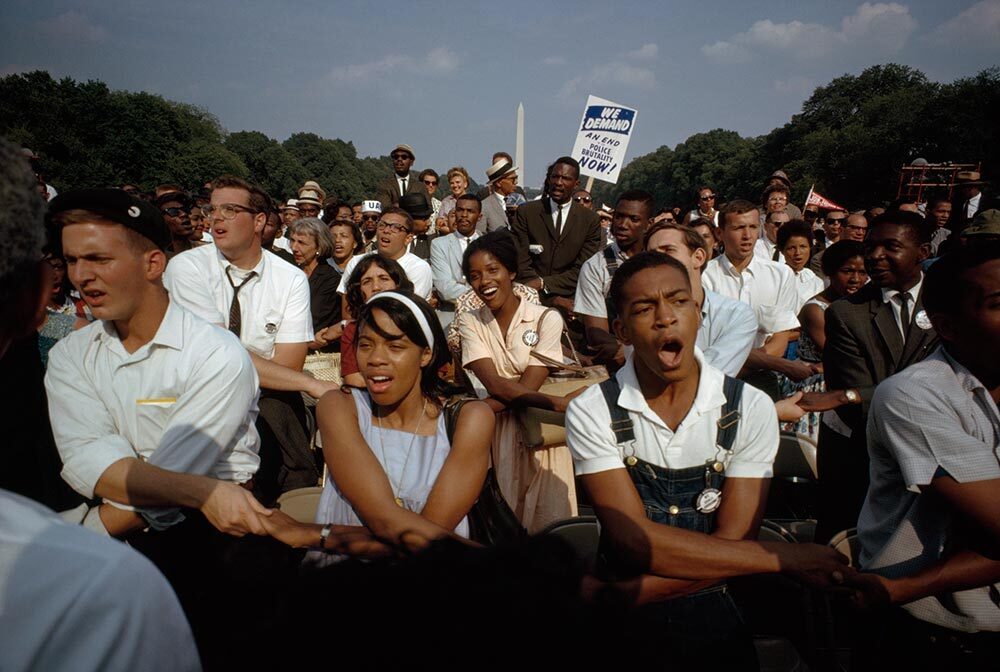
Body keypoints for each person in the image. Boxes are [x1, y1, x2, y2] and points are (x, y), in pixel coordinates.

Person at [565, 251, 849, 668]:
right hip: (623, 629)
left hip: (712, 611)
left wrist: (633, 592)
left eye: (679, 301)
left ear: (699, 313)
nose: (665, 317)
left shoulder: (748, 406)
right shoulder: (593, 409)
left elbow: (735, 543)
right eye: (645, 308)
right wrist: (781, 558)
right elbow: (631, 542)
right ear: (622, 330)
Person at [42, 187, 279, 665]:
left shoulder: (216, 354)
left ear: (153, 264)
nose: (81, 277)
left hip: (209, 548)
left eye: (99, 259)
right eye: (71, 261)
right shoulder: (70, 354)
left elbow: (168, 477)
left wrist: (77, 538)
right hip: (115, 540)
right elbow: (90, 458)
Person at [846, 242, 1000, 670]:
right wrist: (905, 589)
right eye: (998, 304)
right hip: (941, 637)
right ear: (948, 327)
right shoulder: (914, 396)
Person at [263, 292, 495, 561]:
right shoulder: (340, 407)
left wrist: (313, 534)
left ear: (426, 355)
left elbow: (422, 545)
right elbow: (405, 530)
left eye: (395, 347)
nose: (375, 359)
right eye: (365, 345)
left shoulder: (469, 419)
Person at [163, 175, 332, 502]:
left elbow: (290, 364)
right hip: (198, 393)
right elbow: (214, 357)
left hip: (266, 396)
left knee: (277, 419)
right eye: (212, 209)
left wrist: (281, 376)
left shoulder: (290, 278)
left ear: (259, 221)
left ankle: (284, 508)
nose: (217, 218)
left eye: (230, 210)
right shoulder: (186, 269)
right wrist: (310, 384)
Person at [810, 211, 940, 542]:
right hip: (863, 459)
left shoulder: (946, 302)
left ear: (922, 252)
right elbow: (859, 401)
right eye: (870, 247)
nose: (875, 256)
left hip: (938, 459)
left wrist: (858, 393)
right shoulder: (846, 313)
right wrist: (851, 396)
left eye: (890, 246)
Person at [458, 231, 585, 533]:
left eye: (492, 270)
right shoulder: (470, 320)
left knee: (552, 527)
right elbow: (496, 385)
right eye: (474, 276)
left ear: (511, 271)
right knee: (506, 526)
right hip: (500, 434)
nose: (484, 282)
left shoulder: (546, 318)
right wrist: (559, 403)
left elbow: (526, 387)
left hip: (543, 434)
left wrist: (473, 411)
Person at [702, 200, 814, 399]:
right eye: (738, 228)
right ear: (720, 234)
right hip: (712, 382)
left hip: (760, 381)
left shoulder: (780, 275)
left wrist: (739, 364)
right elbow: (709, 344)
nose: (747, 236)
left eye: (753, 227)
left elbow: (779, 341)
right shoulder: (703, 277)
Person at [644, 221, 757, 377]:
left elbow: (709, 378)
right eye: (652, 254)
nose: (658, 260)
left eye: (668, 250)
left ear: (698, 257)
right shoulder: (642, 315)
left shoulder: (737, 316)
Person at [512, 156, 601, 346]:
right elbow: (520, 262)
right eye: (555, 177)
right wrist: (551, 298)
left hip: (570, 310)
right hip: (529, 305)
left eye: (565, 179)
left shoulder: (590, 221)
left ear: (576, 183)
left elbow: (582, 270)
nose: (558, 183)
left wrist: (544, 284)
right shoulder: (526, 213)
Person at [575, 190, 654, 370]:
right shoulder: (595, 266)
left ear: (648, 224)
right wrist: (629, 353)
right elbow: (597, 334)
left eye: (633, 219)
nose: (623, 224)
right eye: (619, 217)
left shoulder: (662, 260)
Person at [339, 255, 413, 388]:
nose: (376, 287)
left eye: (384, 279)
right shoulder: (352, 330)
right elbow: (353, 378)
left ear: (397, 284)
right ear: (359, 290)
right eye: (367, 281)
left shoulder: (417, 323)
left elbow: (437, 371)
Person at [337, 207, 433, 301]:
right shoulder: (356, 262)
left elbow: (408, 309)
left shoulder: (418, 268)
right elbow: (347, 307)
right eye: (382, 225)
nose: (386, 231)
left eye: (396, 227)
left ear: (408, 238)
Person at [288, 218, 342, 353]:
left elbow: (315, 318)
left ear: (319, 246)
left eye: (301, 243)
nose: (294, 247)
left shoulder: (330, 280)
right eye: (292, 240)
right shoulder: (288, 271)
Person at [430, 193, 482, 329]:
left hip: (484, 318)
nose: (464, 215)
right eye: (460, 210)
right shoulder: (439, 244)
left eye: (470, 211)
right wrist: (483, 295)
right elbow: (445, 288)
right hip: (450, 318)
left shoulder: (489, 244)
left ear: (480, 216)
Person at [777, 220, 825, 311]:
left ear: (810, 247)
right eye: (792, 248)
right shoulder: (774, 277)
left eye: (803, 246)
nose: (797, 253)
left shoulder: (816, 282)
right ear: (782, 250)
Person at [377, 143, 423, 208]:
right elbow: (384, 208)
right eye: (396, 157)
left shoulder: (420, 186)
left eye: (404, 157)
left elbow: (428, 209)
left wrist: (398, 206)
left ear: (411, 162)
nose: (399, 159)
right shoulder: (385, 185)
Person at [481, 158, 518, 232]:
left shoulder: (519, 201)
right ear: (499, 183)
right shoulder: (484, 207)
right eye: (513, 179)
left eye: (516, 178)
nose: (516, 182)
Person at [399, 192, 438, 260]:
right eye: (424, 219)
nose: (429, 223)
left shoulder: (432, 243)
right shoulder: (391, 241)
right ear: (409, 219)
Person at [157, 191, 195, 258]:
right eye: (173, 211)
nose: (184, 214)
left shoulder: (207, 251)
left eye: (185, 209)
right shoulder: (158, 258)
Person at [435, 166, 471, 232]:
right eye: (452, 183)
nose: (455, 185)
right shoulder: (446, 202)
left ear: (465, 184)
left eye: (457, 182)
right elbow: (439, 223)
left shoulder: (472, 201)